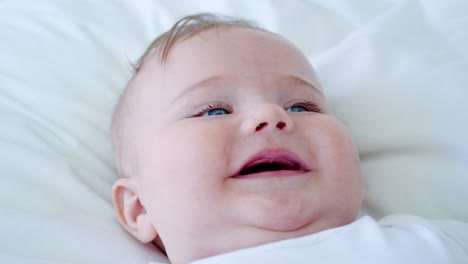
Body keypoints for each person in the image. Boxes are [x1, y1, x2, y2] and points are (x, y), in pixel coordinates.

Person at [110, 13, 467, 264]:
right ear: (140, 207)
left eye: (302, 106)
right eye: (214, 111)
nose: (271, 115)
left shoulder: (436, 241)